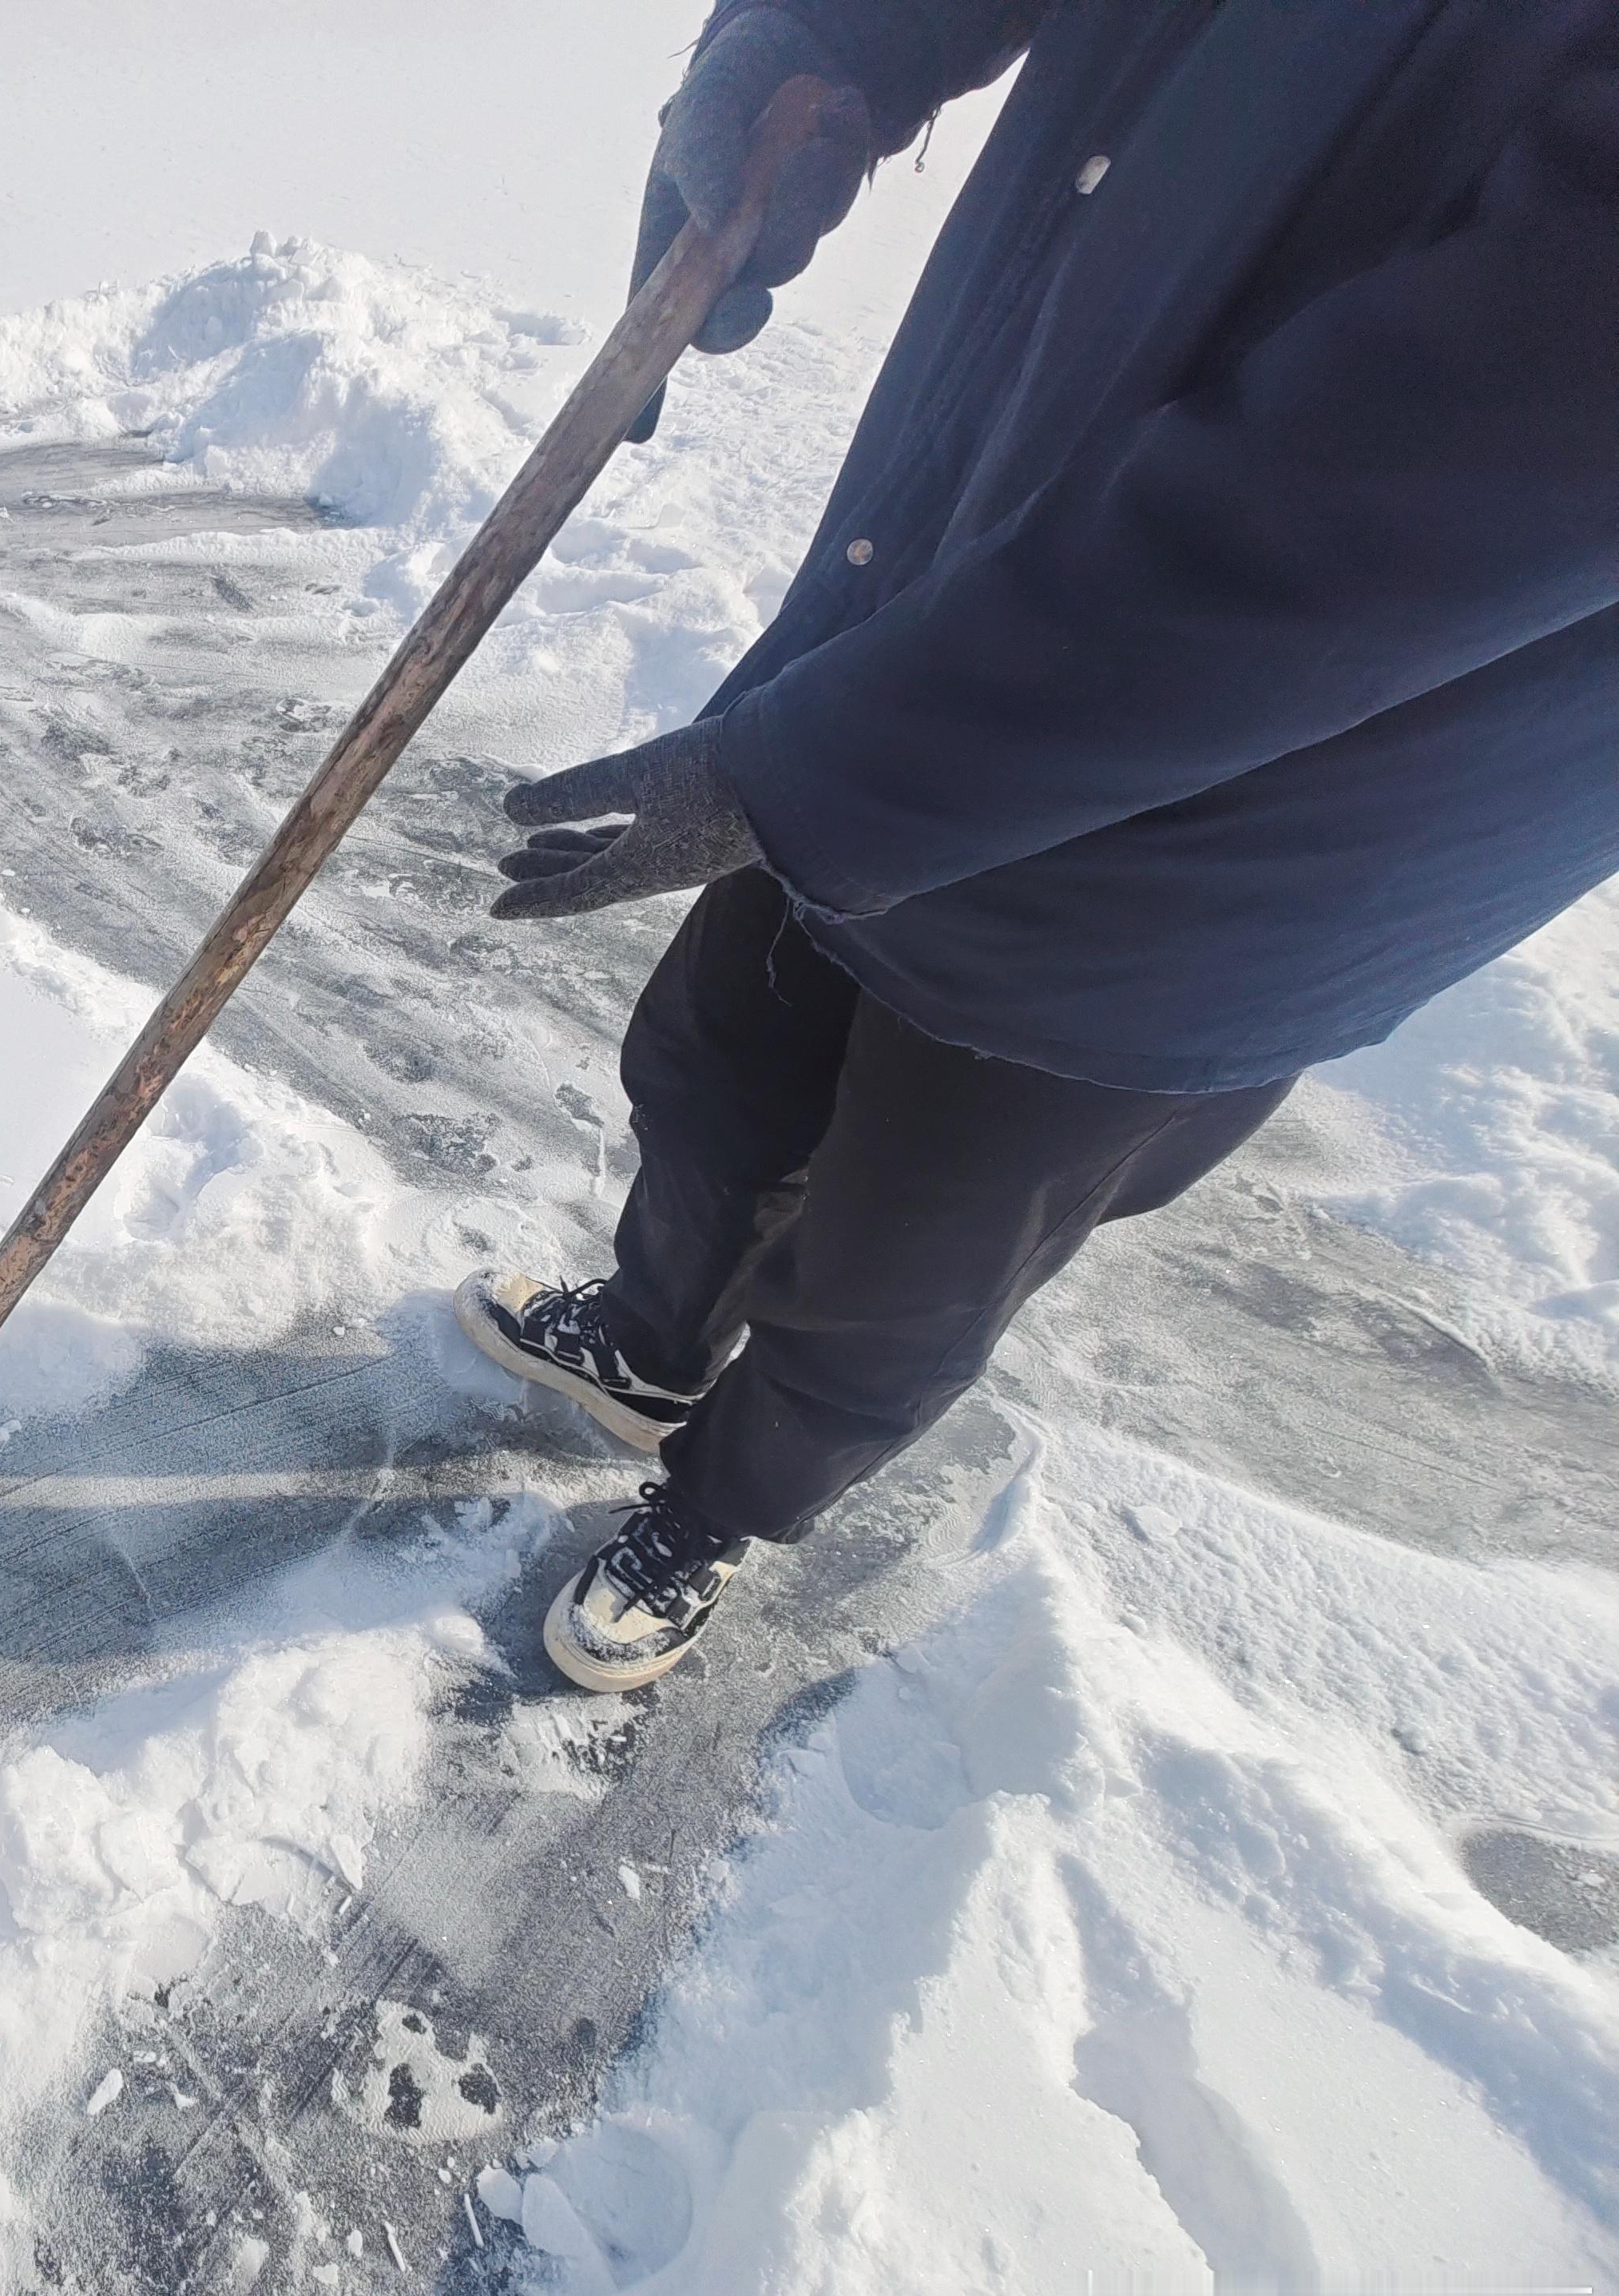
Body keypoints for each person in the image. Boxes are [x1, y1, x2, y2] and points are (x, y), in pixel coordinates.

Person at [454, 0, 1619, 1693]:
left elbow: (1434, 480)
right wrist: (815, 41)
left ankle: (715, 1506)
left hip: (1273, 818)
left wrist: (835, 769)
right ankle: (644, 1339)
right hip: (940, 581)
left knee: (894, 1266)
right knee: (712, 1062)